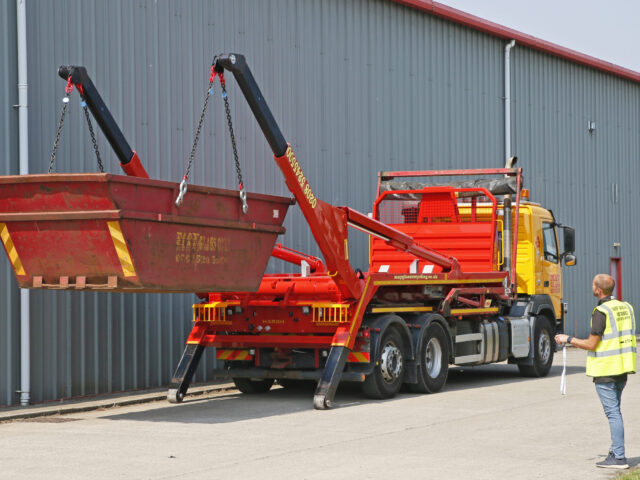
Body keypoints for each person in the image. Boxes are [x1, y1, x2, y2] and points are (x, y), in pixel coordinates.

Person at [555, 273, 636, 470]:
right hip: (622, 368)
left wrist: (568, 339)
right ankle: (615, 451)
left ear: (598, 289)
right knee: (615, 411)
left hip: (606, 370)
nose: (591, 287)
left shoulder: (601, 311)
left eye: (593, 284)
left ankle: (619, 457)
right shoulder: (626, 307)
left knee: (613, 413)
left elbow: (591, 344)